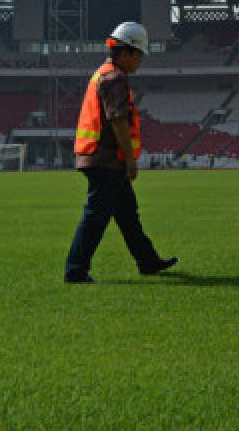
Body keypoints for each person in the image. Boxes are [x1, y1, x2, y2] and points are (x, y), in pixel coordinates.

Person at [63, 21, 178, 284]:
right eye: (138, 55)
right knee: (96, 215)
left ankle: (147, 261)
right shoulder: (115, 79)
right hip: (106, 159)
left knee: (127, 213)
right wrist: (129, 158)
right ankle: (75, 270)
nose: (140, 61)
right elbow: (117, 120)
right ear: (125, 53)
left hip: (98, 156)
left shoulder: (103, 73)